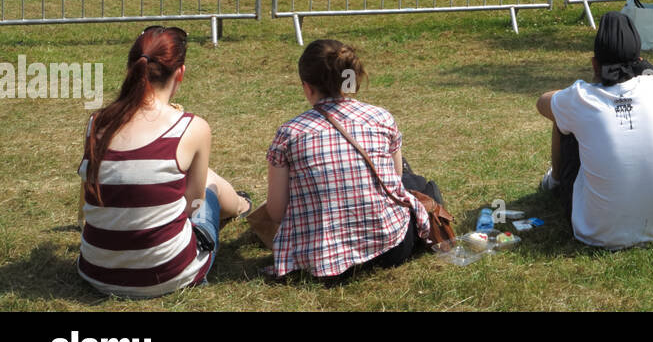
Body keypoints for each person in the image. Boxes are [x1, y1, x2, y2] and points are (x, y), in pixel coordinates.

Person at [77, 26, 252, 298]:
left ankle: (241, 203)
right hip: (167, 274)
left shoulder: (97, 122)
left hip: (95, 271)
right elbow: (194, 203)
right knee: (209, 182)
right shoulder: (192, 127)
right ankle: (242, 204)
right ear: (180, 73)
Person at [265, 39, 436, 281]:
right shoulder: (381, 118)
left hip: (318, 260)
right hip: (392, 249)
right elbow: (394, 183)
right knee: (414, 182)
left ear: (307, 87)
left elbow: (276, 212)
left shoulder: (289, 133)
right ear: (352, 78)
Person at [536, 13, 653, 249]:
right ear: (639, 59)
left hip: (597, 233)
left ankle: (555, 181)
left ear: (594, 64)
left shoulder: (580, 97)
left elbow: (543, 102)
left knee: (563, 118)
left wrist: (593, 82)